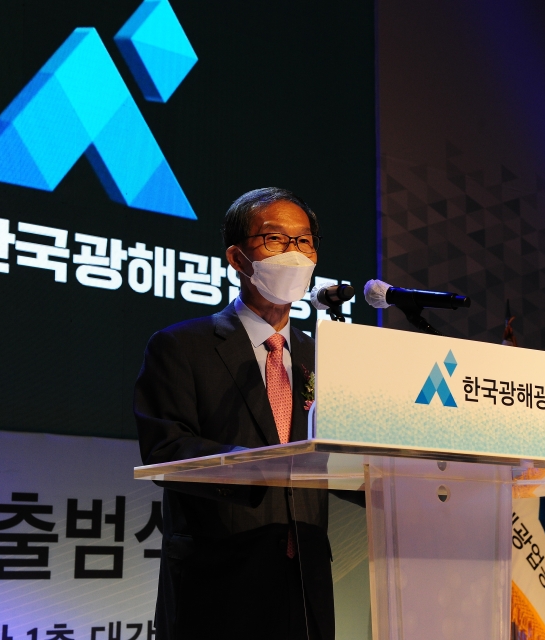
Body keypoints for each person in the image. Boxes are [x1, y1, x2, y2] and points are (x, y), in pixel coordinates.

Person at [134, 188, 336, 640]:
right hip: (217, 581)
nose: (293, 253)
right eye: (275, 239)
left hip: (307, 585)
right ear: (237, 257)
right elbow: (166, 448)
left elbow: (343, 457)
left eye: (304, 241)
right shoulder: (181, 346)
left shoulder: (325, 354)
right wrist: (261, 468)